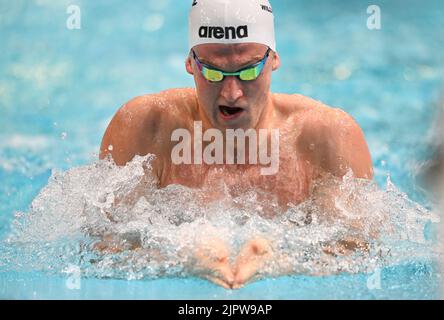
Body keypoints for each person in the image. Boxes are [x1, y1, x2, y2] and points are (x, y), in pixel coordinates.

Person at [98, 0, 373, 289]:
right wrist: (179, 256)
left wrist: (283, 260)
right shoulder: (145, 126)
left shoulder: (327, 134)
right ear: (191, 63)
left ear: (274, 59)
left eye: (248, 71)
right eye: (214, 73)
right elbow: (101, 245)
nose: (231, 92)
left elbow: (362, 250)